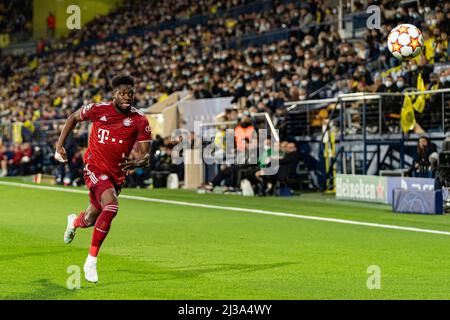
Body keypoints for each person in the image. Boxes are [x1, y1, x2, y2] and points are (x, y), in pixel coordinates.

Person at [54, 75, 152, 283]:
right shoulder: (98, 109)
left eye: (130, 94)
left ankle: (74, 221)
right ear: (114, 94)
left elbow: (145, 156)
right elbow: (72, 117)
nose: (127, 97)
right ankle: (91, 260)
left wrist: (137, 163)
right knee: (111, 206)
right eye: (123, 93)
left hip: (117, 176)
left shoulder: (140, 120)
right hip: (94, 168)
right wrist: (59, 145)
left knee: (90, 219)